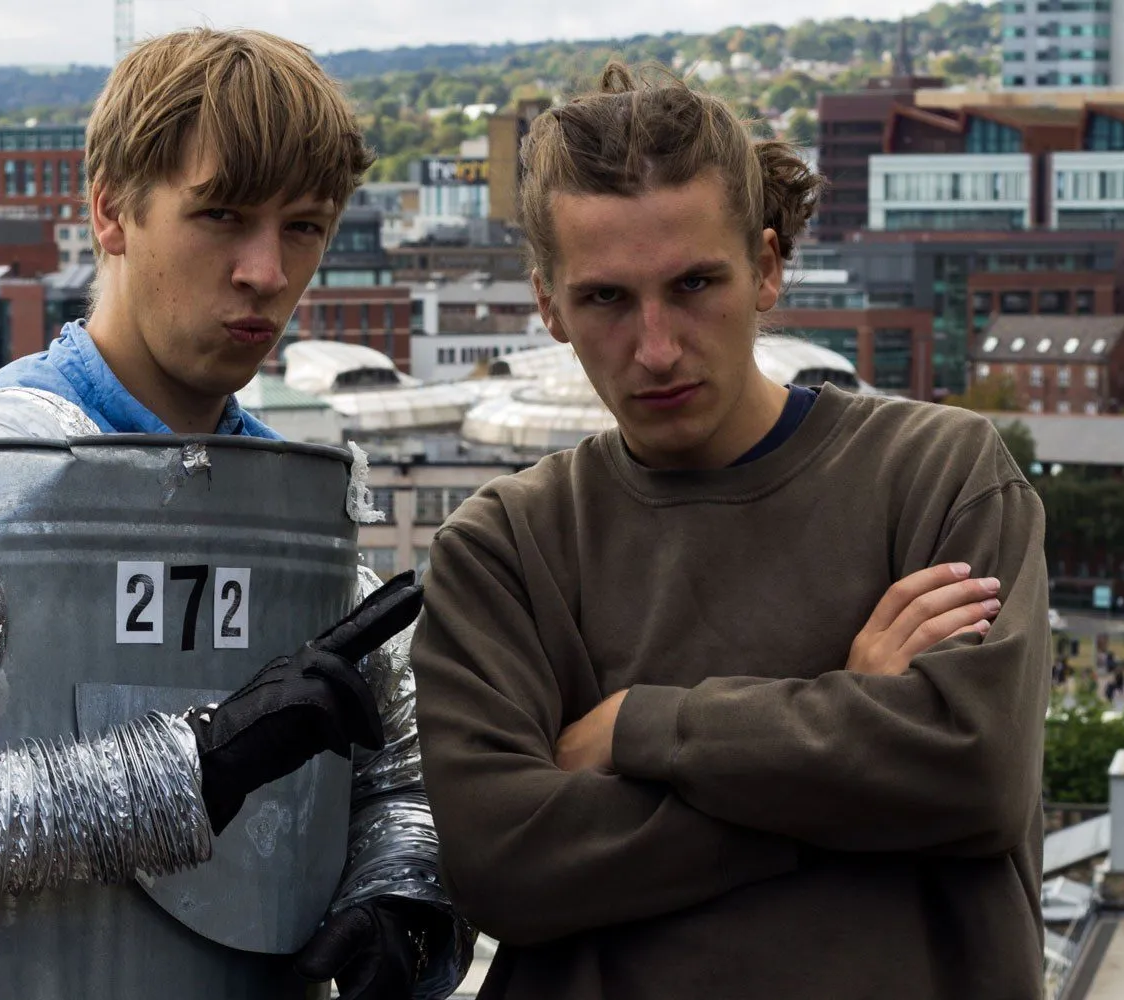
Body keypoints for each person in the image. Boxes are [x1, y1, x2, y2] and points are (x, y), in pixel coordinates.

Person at [0, 28, 469, 1000]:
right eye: (221, 215)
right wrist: (191, 774)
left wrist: (402, 905)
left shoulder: (296, 513)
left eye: (304, 226)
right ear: (112, 211)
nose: (266, 270)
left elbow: (393, 787)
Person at [412, 63, 1049, 1000]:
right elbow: (505, 864)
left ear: (768, 266)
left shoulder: (940, 477)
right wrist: (844, 731)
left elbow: (972, 775)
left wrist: (643, 726)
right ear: (547, 305)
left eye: (695, 283)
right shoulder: (505, 549)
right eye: (606, 299)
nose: (658, 346)